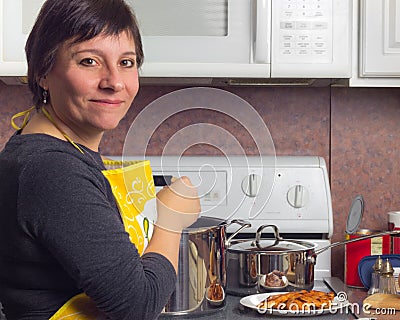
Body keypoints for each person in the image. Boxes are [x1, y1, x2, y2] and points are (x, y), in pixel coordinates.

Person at [0, 0, 200, 319]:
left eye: (126, 62)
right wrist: (170, 219)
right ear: (42, 72)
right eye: (89, 61)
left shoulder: (49, 150)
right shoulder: (52, 170)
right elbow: (136, 306)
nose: (114, 82)